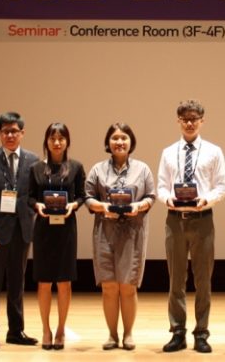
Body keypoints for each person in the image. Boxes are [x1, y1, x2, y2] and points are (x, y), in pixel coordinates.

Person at [157, 100, 225, 353]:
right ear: (178, 121)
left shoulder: (213, 151)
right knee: (176, 280)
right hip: (175, 220)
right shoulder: (167, 152)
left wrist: (206, 199)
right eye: (185, 118)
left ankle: (202, 332)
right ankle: (177, 332)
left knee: (203, 281)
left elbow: (222, 186)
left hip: (202, 220)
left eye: (194, 118)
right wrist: (169, 199)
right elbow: (161, 187)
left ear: (202, 121)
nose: (189, 122)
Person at [85, 123, 155, 351]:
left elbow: (151, 196)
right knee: (109, 287)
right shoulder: (97, 169)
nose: (119, 142)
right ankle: (112, 335)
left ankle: (128, 334)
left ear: (131, 142)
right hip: (105, 231)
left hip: (132, 233)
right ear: (108, 143)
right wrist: (103, 206)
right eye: (115, 138)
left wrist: (139, 205)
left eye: (124, 137)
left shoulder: (142, 169)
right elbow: (87, 197)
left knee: (128, 286)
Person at [0, 111, 39, 349]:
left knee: (17, 282)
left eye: (14, 131)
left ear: (22, 133)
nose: (10, 135)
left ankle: (16, 330)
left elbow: (35, 195)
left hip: (22, 229)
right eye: (6, 131)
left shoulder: (34, 160)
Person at [28, 123, 86, 350]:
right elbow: (29, 197)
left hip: (66, 231)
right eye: (53, 138)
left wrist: (74, 205)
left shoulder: (76, 167)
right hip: (43, 230)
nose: (57, 142)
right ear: (46, 141)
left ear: (67, 141)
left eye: (62, 138)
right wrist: (37, 205)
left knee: (64, 282)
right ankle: (46, 329)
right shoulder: (35, 168)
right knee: (43, 282)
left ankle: (61, 329)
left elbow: (82, 196)